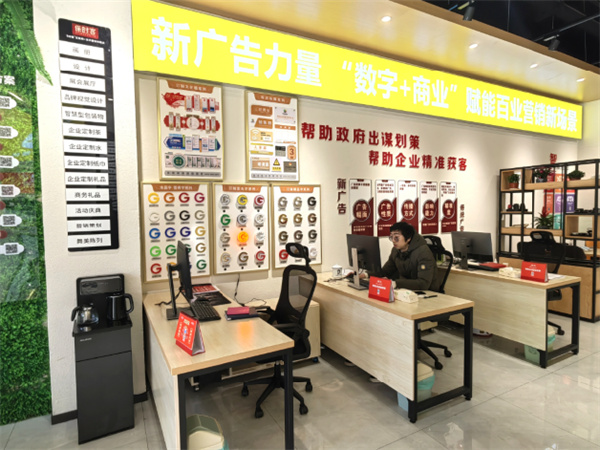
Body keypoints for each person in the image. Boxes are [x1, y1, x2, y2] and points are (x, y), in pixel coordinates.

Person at [365, 222, 440, 292]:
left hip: (428, 293)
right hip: (406, 291)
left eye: (396, 238)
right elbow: (386, 271)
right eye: (391, 237)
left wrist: (396, 283)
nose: (393, 241)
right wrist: (366, 275)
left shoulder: (423, 252)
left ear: (408, 238)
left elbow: (423, 283)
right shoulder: (396, 250)